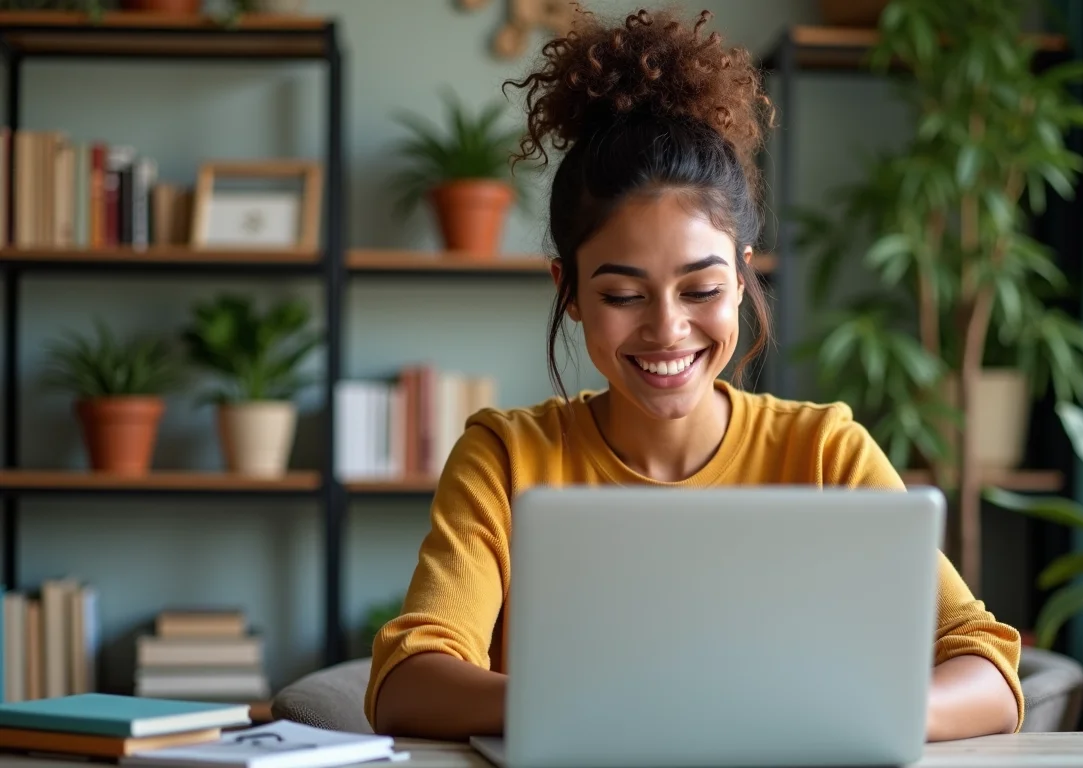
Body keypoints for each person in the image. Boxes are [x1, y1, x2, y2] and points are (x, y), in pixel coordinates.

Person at [365, 6, 1023, 744]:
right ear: (570, 293)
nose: (667, 329)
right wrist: (607, 709)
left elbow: (988, 669)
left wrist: (867, 714)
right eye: (621, 295)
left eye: (701, 290)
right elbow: (407, 679)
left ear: (743, 279)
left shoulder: (823, 451)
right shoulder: (507, 458)